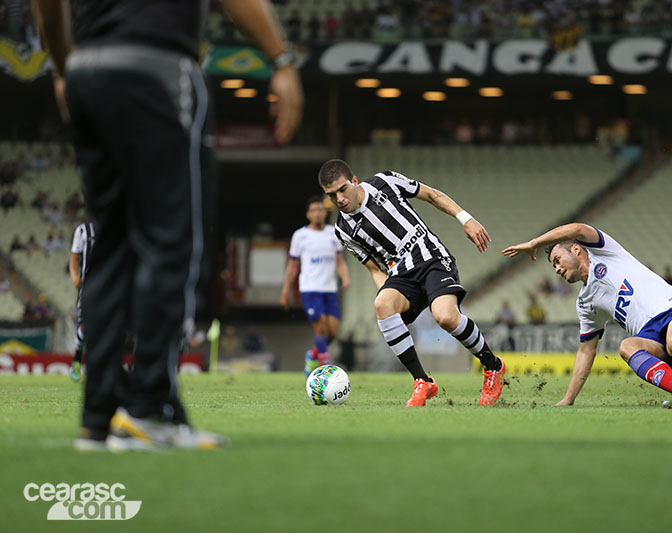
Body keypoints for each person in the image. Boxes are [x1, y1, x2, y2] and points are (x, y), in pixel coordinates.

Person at [34, 0, 303, 451]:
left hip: (88, 71)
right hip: (158, 71)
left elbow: (44, 5)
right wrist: (281, 60)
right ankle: (148, 407)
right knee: (176, 243)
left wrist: (65, 65)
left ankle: (98, 419)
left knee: (110, 245)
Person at [318, 159, 506, 406]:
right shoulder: (343, 230)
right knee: (381, 305)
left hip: (432, 259)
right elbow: (374, 268)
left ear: (354, 181)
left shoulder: (384, 181)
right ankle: (423, 382)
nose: (339, 199)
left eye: (342, 189)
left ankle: (493, 366)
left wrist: (465, 218)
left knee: (445, 317)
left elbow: (431, 195)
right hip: (401, 275)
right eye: (332, 195)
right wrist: (387, 294)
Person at [503, 223, 672, 409]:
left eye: (557, 260)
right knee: (626, 346)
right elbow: (586, 351)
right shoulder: (585, 303)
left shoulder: (604, 252)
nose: (556, 269)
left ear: (575, 249)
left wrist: (534, 243)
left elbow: (577, 229)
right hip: (652, 336)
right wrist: (568, 399)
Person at [281, 196, 351, 377]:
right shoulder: (300, 236)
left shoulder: (332, 233)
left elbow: (340, 261)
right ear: (308, 215)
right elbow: (292, 265)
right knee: (320, 327)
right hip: (310, 288)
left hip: (329, 289)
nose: (318, 213)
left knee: (333, 332)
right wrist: (286, 289)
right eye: (314, 210)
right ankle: (326, 367)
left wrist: (344, 277)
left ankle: (312, 356)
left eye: (321, 209)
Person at [68, 221, 94, 382]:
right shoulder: (83, 230)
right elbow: (74, 259)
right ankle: (77, 358)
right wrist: (75, 277)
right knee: (84, 327)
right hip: (89, 286)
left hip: (113, 284)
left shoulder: (118, 223)